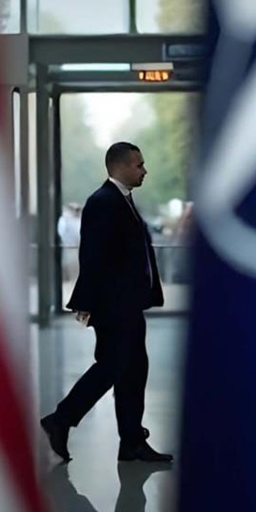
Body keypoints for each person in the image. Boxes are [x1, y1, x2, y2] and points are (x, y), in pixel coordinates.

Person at [41, 142, 173, 463]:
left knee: (133, 370)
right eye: (139, 165)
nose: (144, 171)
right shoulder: (103, 202)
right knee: (114, 366)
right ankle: (61, 419)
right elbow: (93, 256)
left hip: (128, 304)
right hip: (114, 306)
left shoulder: (123, 200)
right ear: (121, 166)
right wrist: (87, 301)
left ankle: (131, 441)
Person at [58, 202, 82, 282]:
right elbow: (61, 232)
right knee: (68, 264)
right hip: (68, 246)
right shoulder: (64, 219)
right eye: (75, 209)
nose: (76, 211)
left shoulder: (79, 219)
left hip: (77, 247)